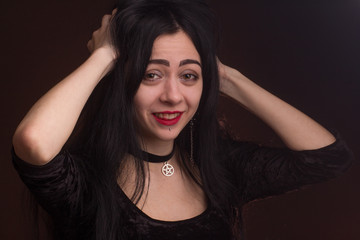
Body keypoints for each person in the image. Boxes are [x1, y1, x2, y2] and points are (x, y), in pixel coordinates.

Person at [11, 0, 353, 239]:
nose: (173, 96)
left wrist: (226, 77)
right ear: (121, 80)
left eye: (189, 76)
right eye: (151, 75)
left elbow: (327, 157)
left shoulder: (219, 167)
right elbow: (34, 142)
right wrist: (105, 56)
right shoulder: (84, 181)